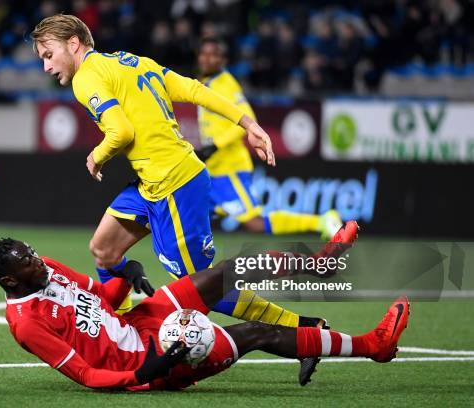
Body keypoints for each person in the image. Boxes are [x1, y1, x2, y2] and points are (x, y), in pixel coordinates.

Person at [31, 14, 341, 385]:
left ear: (74, 44)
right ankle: (124, 328)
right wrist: (248, 124)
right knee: (104, 250)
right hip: (150, 183)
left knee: (201, 284)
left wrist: (97, 154)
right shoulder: (130, 61)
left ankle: (306, 329)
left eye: (48, 55)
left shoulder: (86, 79)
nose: (47, 66)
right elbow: (194, 89)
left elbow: (120, 131)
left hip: (176, 183)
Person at [0, 237, 410, 391]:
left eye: (34, 253)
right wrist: (153, 369)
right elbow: (89, 376)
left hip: (138, 321)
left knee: (224, 272)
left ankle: (320, 263)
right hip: (144, 362)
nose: (40, 262)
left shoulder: (48, 268)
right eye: (29, 263)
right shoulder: (26, 324)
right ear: (12, 282)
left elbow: (105, 299)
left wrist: (126, 274)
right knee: (256, 332)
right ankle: (373, 346)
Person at [195, 37, 342, 239]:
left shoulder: (226, 84)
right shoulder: (206, 83)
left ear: (223, 59)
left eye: (213, 54)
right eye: (204, 53)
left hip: (229, 169)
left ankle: (321, 221)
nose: (207, 59)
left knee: (255, 223)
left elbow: (250, 120)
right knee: (191, 214)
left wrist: (214, 146)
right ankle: (193, 268)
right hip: (211, 170)